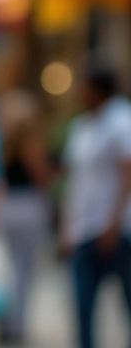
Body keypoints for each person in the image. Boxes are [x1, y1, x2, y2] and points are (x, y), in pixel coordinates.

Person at [62, 65, 131, 348]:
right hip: (84, 229)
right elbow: (76, 181)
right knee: (83, 307)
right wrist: (66, 227)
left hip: (118, 231)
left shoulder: (121, 121)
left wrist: (114, 223)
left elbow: (128, 173)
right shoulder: (81, 125)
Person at [0, 90, 54, 343]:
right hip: (29, 204)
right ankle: (16, 322)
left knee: (14, 267)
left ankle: (11, 319)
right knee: (25, 269)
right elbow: (41, 175)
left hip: (9, 206)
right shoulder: (30, 143)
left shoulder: (4, 142)